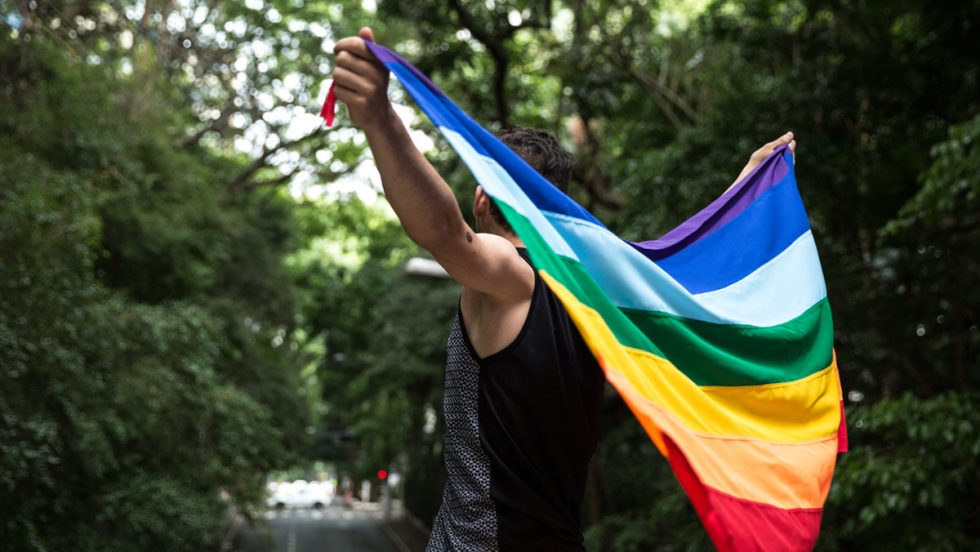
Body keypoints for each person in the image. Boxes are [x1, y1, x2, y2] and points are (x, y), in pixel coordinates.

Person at [331, 27, 797, 552]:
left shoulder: (508, 274)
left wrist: (379, 120)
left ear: (482, 199)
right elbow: (688, 267)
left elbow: (448, 233)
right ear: (558, 212)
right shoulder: (599, 294)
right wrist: (746, 187)